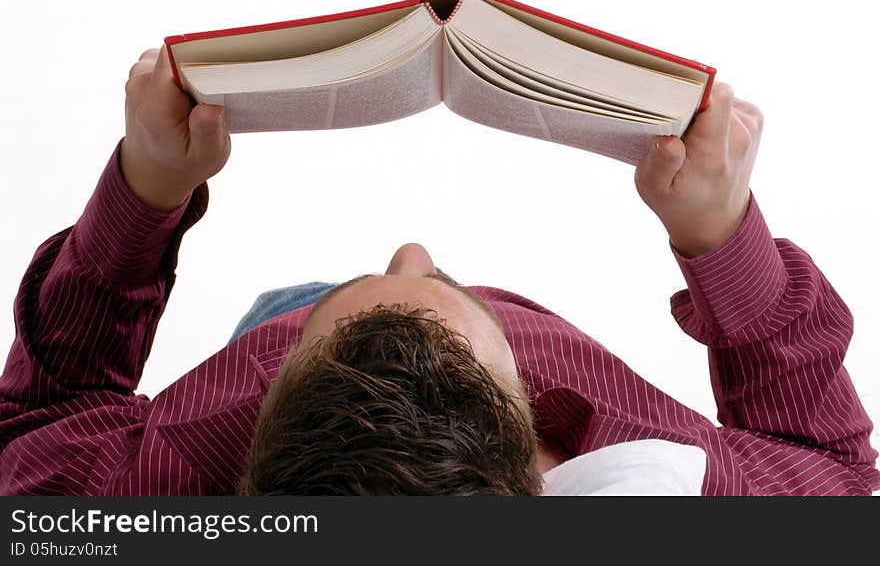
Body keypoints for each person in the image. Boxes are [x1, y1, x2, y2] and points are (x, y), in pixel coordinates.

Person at [1, 46, 877, 496]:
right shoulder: (694, 487)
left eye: (318, 334)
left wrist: (146, 186)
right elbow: (832, 464)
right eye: (441, 285)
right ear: (537, 454)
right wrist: (722, 234)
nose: (411, 250)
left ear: (261, 416)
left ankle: (306, 314)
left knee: (292, 300)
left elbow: (34, 420)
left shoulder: (139, 481)